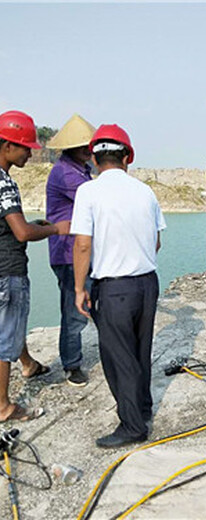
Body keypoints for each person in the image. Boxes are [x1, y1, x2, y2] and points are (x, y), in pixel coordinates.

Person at [72, 124, 166, 448]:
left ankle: (132, 426)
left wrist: (79, 288)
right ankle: (143, 408)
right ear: (127, 157)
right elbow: (155, 242)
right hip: (147, 284)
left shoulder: (88, 191)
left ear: (95, 159)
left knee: (118, 357)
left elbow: (83, 245)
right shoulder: (145, 191)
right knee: (141, 350)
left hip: (113, 288)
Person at [0, 110, 70, 422]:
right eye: (25, 147)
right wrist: (57, 229)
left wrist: (30, 223)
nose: (30, 152)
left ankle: (27, 364)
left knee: (10, 323)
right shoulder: (4, 183)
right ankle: (3, 407)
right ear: (6, 147)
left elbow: (12, 225)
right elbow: (22, 233)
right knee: (4, 338)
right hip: (7, 270)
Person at [46, 114, 96, 386]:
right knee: (73, 309)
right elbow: (96, 199)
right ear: (73, 147)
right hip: (68, 252)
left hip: (80, 249)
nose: (90, 150)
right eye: (86, 146)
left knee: (89, 301)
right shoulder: (66, 173)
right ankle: (71, 364)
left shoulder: (81, 169)